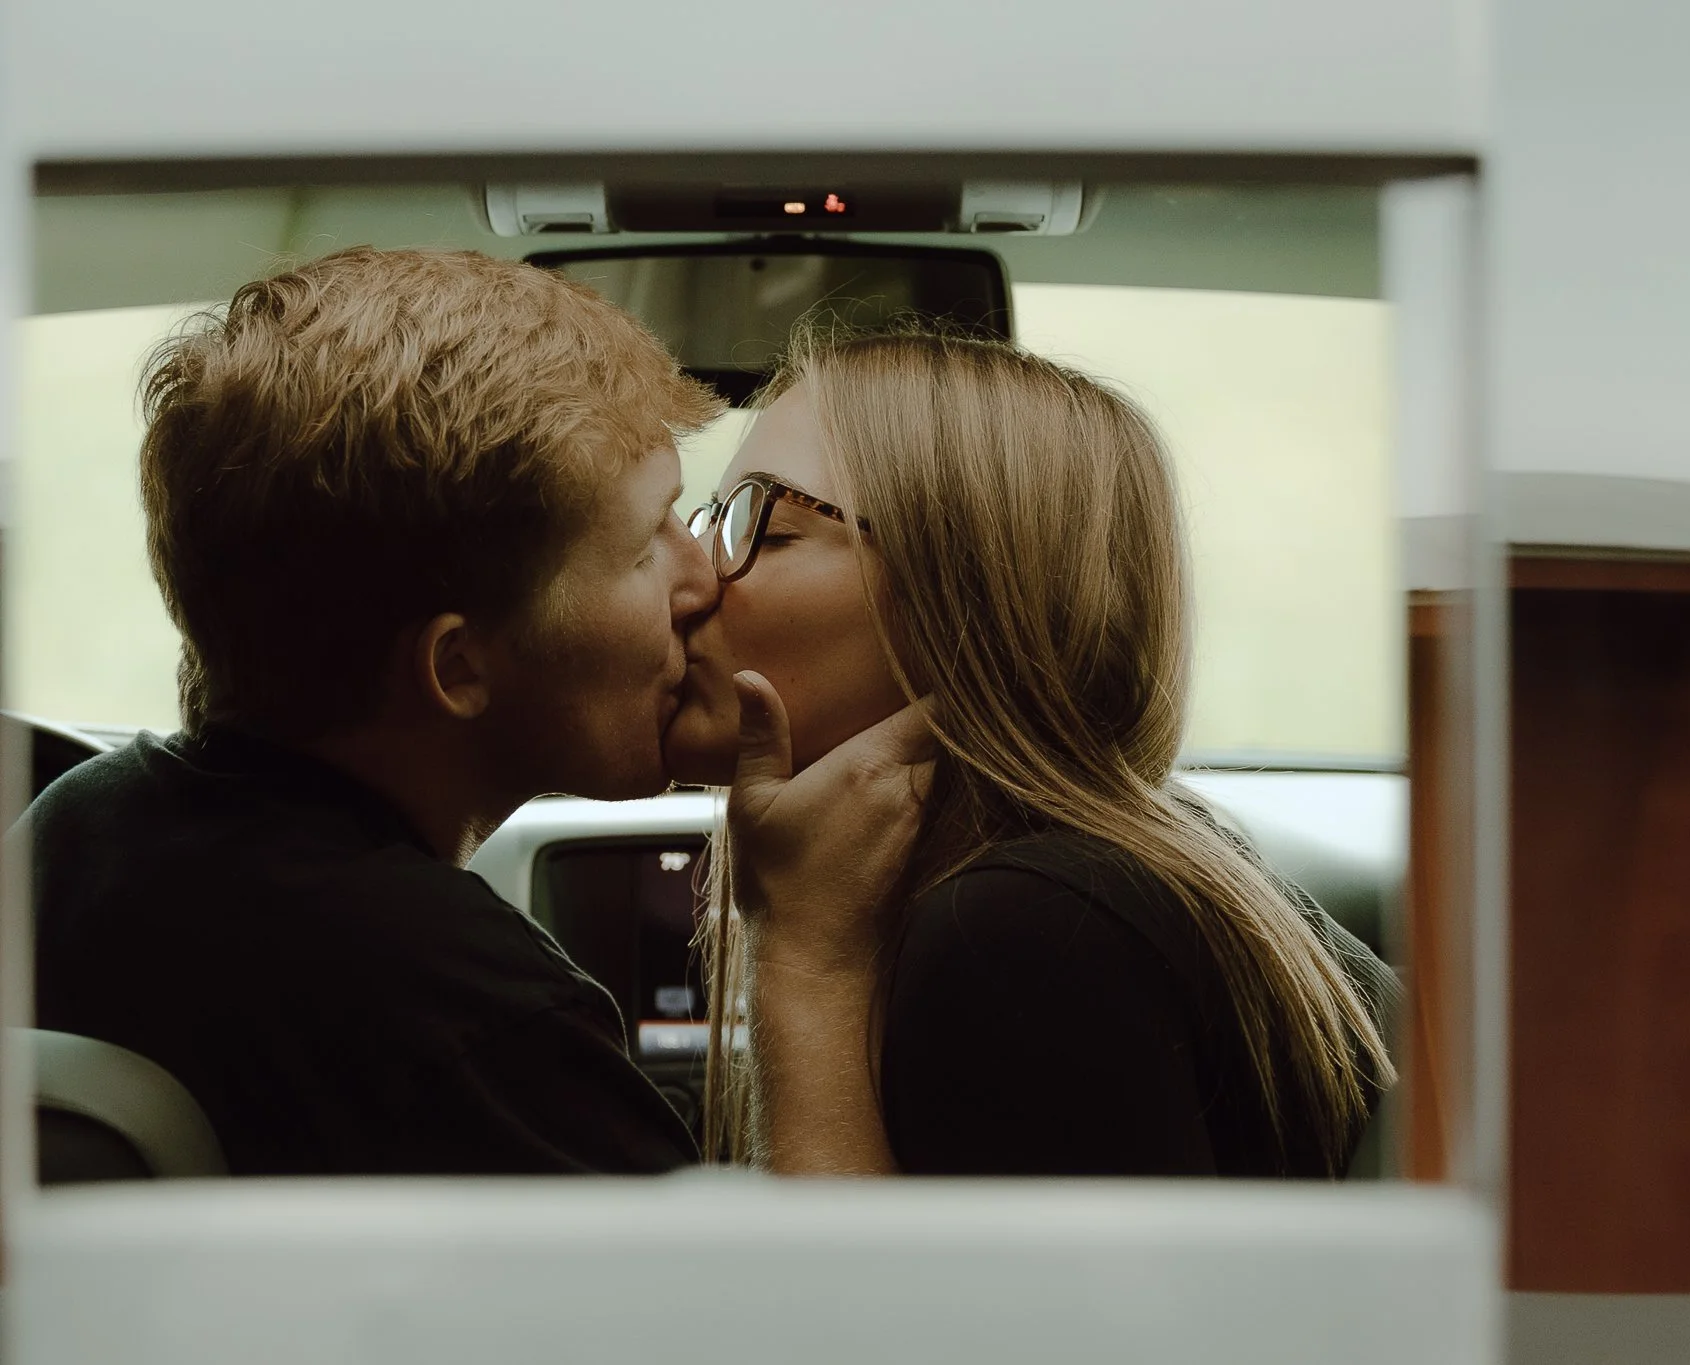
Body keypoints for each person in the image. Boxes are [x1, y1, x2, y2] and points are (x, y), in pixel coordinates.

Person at [26, 247, 932, 1177]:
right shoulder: (472, 1023)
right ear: (457, 667)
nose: (700, 574)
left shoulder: (67, 828)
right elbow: (805, 1320)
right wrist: (812, 959)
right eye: (641, 546)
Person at [666, 329, 1399, 1178]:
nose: (689, 579)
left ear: (961, 598)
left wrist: (805, 963)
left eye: (763, 522)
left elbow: (856, 1314)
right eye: (710, 519)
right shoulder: (1133, 865)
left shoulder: (1023, 933)